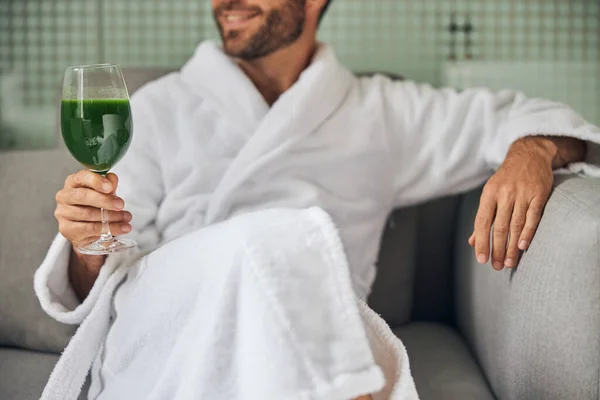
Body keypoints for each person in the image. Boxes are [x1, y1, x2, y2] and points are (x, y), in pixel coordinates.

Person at [38, 0, 599, 399]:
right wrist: (86, 245)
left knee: (290, 243)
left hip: (317, 323)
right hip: (178, 324)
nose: (224, 2)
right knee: (277, 236)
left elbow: (521, 117)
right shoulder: (159, 108)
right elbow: (104, 277)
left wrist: (534, 150)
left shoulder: (381, 113)